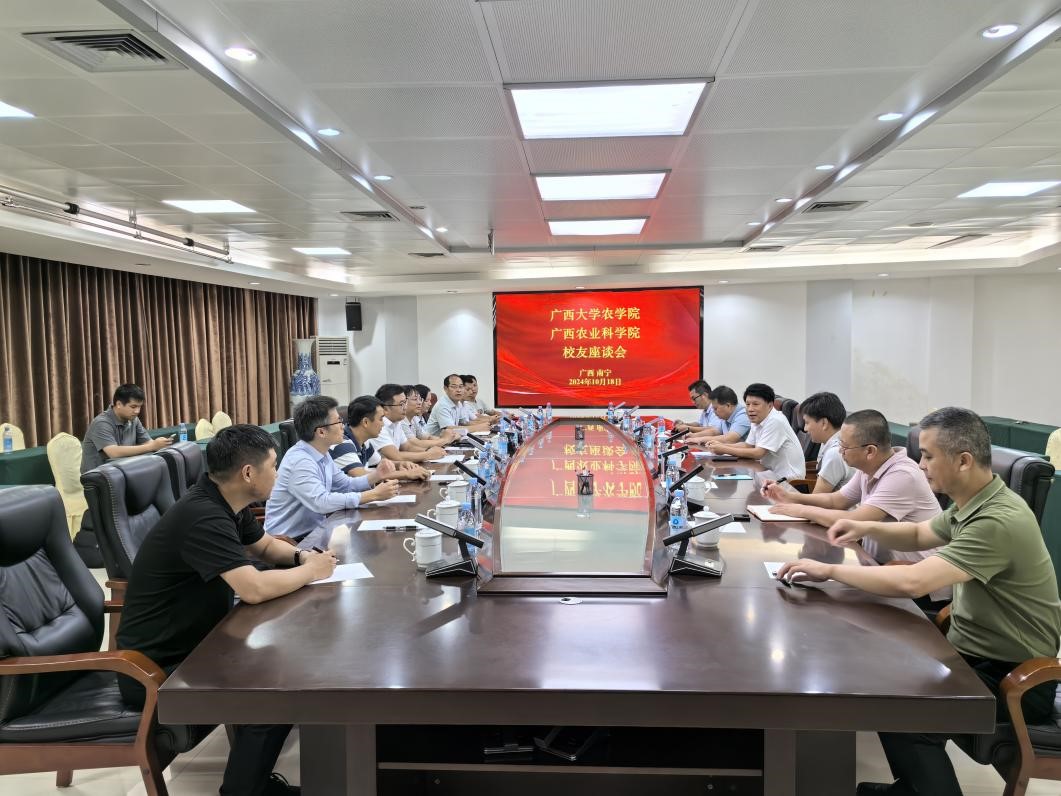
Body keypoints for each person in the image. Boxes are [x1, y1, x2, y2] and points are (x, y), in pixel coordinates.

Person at [778, 408, 1061, 796]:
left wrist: (828, 570)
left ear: (963, 461)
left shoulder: (997, 520)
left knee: (904, 710)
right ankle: (912, 787)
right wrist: (860, 525)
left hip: (1013, 675)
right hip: (973, 652)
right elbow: (916, 534)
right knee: (880, 683)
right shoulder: (972, 503)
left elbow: (914, 580)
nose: (920, 464)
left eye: (927, 456)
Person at [117, 424, 338, 795]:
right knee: (276, 691)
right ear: (248, 473)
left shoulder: (226, 501)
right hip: (158, 666)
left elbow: (265, 547)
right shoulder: (203, 515)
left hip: (202, 642)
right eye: (273, 465)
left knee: (296, 658)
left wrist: (303, 557)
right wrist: (310, 572)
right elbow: (252, 589)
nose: (278, 473)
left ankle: (258, 781)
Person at [763, 408, 947, 605]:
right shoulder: (871, 467)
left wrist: (799, 510)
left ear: (870, 451)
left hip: (918, 583)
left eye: (844, 446)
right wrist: (790, 497)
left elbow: (854, 520)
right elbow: (836, 500)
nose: (840, 451)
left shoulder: (903, 475)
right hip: (880, 567)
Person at [264, 396, 399, 541]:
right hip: (288, 541)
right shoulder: (300, 461)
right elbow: (322, 502)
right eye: (338, 421)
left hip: (315, 532)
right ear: (321, 432)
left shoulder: (322, 452)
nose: (343, 425)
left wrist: (376, 475)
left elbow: (345, 484)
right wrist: (374, 495)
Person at [704, 383, 805, 479]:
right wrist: (720, 445)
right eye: (748, 404)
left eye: (755, 404)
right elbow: (748, 445)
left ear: (770, 405)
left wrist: (724, 449)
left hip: (788, 480)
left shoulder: (775, 420)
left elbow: (758, 453)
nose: (750, 409)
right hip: (768, 474)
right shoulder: (757, 418)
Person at [330, 396, 428, 481]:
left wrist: (401, 464)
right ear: (365, 422)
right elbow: (361, 475)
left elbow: (378, 462)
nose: (383, 424)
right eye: (381, 419)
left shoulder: (364, 442)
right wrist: (406, 474)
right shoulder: (342, 443)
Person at [81, 383, 172, 473]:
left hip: (123, 471)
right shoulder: (101, 423)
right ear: (119, 404)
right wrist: (152, 446)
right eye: (133, 407)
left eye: (139, 407)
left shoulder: (133, 419)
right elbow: (113, 452)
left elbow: (148, 442)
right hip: (99, 477)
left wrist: (160, 444)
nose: (137, 411)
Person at [372, 384, 448, 463]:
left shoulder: (396, 422)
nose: (405, 407)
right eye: (401, 404)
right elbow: (395, 456)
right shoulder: (378, 425)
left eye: (405, 403)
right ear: (385, 409)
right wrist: (428, 454)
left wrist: (428, 451)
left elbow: (407, 446)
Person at [798, 391, 855, 492]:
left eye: (807, 422)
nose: (805, 429)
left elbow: (817, 497)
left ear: (824, 423)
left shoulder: (835, 452)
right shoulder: (830, 442)